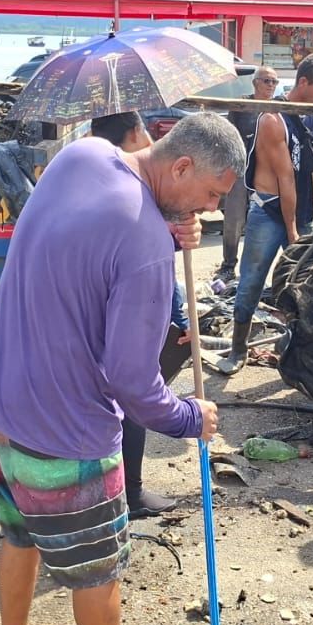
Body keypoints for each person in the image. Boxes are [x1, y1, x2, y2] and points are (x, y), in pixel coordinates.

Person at [0, 112, 243, 625]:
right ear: (183, 166)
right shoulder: (145, 246)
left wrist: (169, 223)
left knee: (20, 534)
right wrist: (191, 417)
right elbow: (133, 384)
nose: (209, 208)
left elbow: (88, 239)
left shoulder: (82, 156)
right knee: (98, 575)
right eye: (211, 194)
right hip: (61, 432)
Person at [88, 111, 191, 519]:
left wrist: (181, 235)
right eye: (146, 131)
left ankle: (121, 490)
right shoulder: (128, 187)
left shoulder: (96, 179)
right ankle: (128, 493)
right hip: (124, 320)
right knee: (131, 394)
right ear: (134, 133)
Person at [220, 53, 313, 374]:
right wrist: (293, 230)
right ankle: (237, 348)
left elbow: (307, 164)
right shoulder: (273, 118)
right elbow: (285, 178)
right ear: (302, 82)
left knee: (306, 285)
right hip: (271, 211)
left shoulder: (311, 114)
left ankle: (300, 350)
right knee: (252, 281)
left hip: (298, 211)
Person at [216, 67, 279, 284]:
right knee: (233, 218)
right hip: (242, 168)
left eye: (274, 82)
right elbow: (230, 136)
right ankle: (228, 265)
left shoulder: (279, 106)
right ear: (256, 83)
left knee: (264, 219)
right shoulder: (241, 104)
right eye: (267, 81)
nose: (271, 85)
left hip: (267, 170)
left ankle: (255, 270)